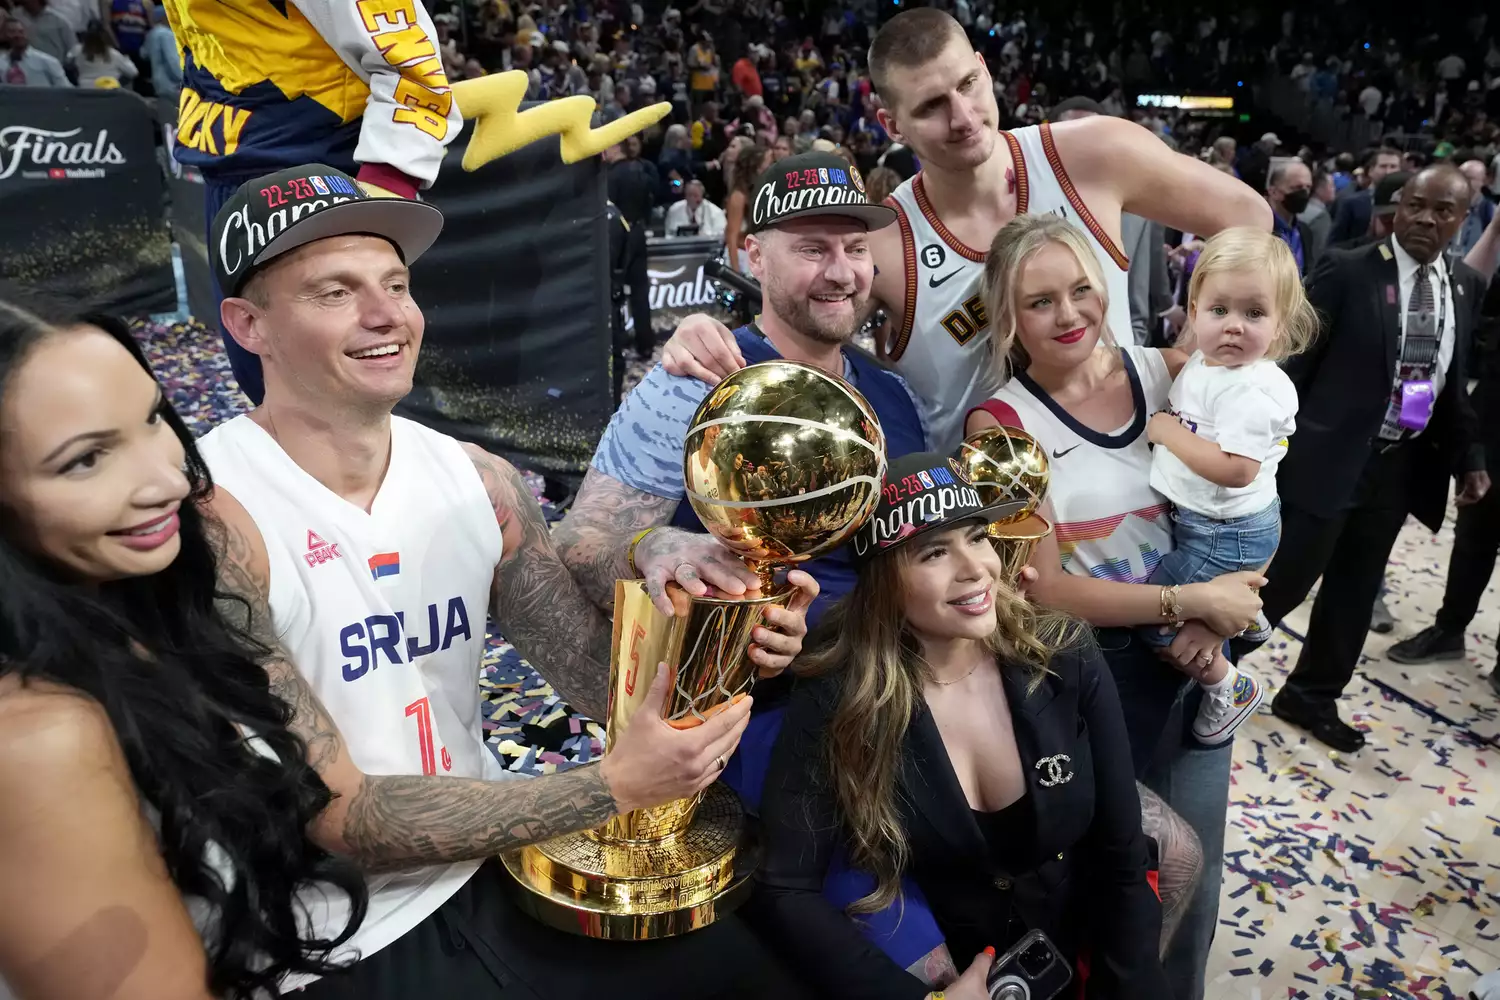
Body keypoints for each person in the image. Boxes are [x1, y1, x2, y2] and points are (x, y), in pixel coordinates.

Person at [198, 163, 817, 997]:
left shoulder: (478, 481)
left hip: (486, 861)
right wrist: (606, 787)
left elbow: (604, 688)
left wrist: (731, 613)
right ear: (248, 325)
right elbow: (340, 819)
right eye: (334, 292)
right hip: (321, 932)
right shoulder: (209, 518)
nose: (388, 316)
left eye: (395, 283)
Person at [661, 7, 1268, 454]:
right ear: (890, 122)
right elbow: (795, 335)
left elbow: (1248, 218)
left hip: (1135, 478)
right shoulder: (884, 242)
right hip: (982, 537)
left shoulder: (1094, 154)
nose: (962, 117)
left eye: (968, 85)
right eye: (930, 106)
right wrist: (703, 333)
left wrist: (1196, 356)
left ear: (984, 68)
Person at [0, 299, 367, 1000]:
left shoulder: (138, 601)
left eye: (152, 418)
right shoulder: (35, 737)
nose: (171, 480)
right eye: (85, 460)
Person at [965, 214, 1265, 1000]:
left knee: (1198, 882)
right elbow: (1044, 589)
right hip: (1101, 678)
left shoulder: (1168, 372)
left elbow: (1246, 492)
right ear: (1006, 315)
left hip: (1198, 660)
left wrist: (1210, 616)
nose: (1067, 315)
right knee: (1125, 883)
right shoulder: (999, 426)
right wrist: (1186, 598)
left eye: (1080, 291)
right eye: (1039, 302)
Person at [753, 452, 1171, 1000]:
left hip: (1077, 956)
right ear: (884, 582)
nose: (975, 568)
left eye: (977, 538)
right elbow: (785, 887)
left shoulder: (1065, 655)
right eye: (933, 553)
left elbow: (1122, 859)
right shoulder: (838, 696)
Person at [1245, 165, 1491, 753]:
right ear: (1397, 207)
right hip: (1327, 458)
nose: (1426, 219)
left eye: (1443, 211)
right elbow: (1293, 365)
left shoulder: (1463, 285)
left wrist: (1470, 457)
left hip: (1398, 464)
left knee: (1355, 592)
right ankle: (1201, 677)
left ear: (1464, 218)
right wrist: (1261, 446)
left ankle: (1311, 695)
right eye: (1416, 205)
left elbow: (1448, 384)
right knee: (1278, 585)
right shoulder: (1349, 269)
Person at [164, 0, 461, 405]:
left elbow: (408, 60)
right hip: (228, 168)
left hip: (312, 177)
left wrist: (383, 190)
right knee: (263, 377)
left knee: (340, 388)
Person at [1141, 226, 1318, 743]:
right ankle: (1247, 616)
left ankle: (1228, 685)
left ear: (1281, 324)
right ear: (1193, 309)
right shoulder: (1211, 360)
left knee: (1154, 614)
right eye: (1219, 310)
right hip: (1218, 524)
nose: (1233, 327)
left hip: (1224, 531)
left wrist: (1167, 433)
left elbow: (1236, 468)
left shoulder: (1250, 389)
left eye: (1254, 314)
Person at [1329, 147, 1404, 245]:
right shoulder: (1351, 203)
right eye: (1383, 166)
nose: (1388, 172)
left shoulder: (1407, 203)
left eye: (1393, 166)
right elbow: (1334, 243)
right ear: (1371, 171)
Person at [723, 141, 773, 274]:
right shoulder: (739, 196)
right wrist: (735, 271)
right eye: (768, 162)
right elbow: (731, 236)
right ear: (756, 167)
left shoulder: (763, 191)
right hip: (742, 257)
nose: (772, 165)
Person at [1265, 159, 1314, 276]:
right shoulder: (1259, 229)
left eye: (1308, 188)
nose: (1304, 193)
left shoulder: (1304, 231)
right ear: (1274, 192)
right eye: (1297, 188)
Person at [0, 15, 70, 86]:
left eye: (21, 32)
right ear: (3, 35)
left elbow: (65, 89)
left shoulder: (47, 61)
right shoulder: (1, 62)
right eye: (12, 32)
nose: (17, 35)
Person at [71, 20, 138, 88]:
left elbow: (67, 64)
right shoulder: (114, 54)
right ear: (104, 35)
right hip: (109, 91)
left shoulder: (77, 50)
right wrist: (126, 58)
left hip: (84, 90)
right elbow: (133, 72)